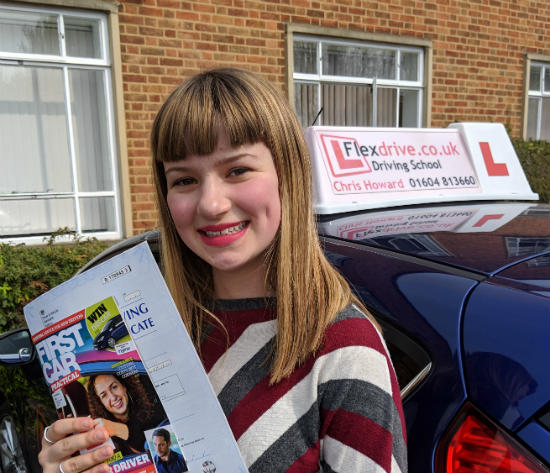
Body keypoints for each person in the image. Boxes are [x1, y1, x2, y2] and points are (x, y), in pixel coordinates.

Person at [38, 67, 407, 473]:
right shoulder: (141, 337)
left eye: (237, 170)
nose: (211, 203)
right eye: (185, 179)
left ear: (289, 176)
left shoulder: (345, 347)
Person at [86, 373, 167, 455]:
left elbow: (157, 451)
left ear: (124, 386)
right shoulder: (103, 434)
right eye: (104, 395)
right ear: (100, 403)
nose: (113, 397)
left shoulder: (152, 410)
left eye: (114, 387)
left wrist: (118, 429)